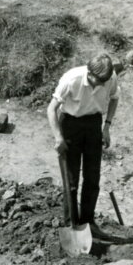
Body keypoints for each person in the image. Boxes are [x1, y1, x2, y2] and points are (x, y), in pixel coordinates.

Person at [47, 53, 120, 230]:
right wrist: (59, 137)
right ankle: (71, 225)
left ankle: (88, 222)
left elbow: (114, 98)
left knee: (92, 178)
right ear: (89, 72)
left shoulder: (109, 78)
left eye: (104, 81)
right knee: (71, 181)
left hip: (94, 124)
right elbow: (51, 109)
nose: (102, 84)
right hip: (71, 124)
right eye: (98, 81)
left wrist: (107, 127)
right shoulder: (72, 79)